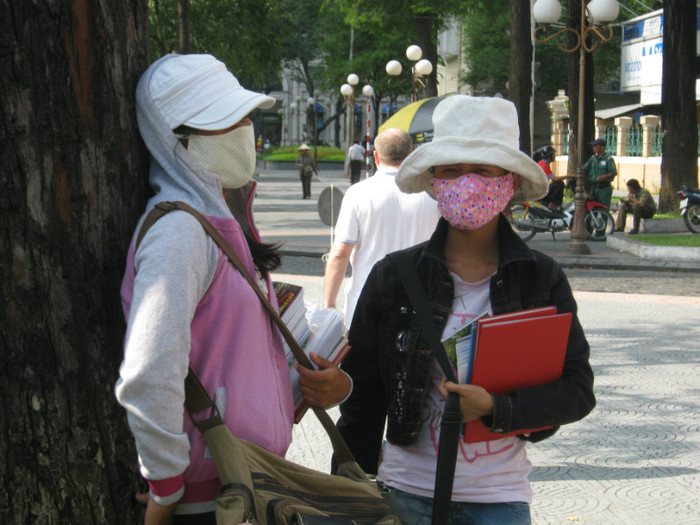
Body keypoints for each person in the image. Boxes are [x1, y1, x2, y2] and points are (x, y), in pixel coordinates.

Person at [336, 95, 595, 525]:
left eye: (483, 169)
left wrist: (497, 406)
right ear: (434, 180)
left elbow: (577, 389)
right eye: (452, 169)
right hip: (403, 496)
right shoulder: (393, 277)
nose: (466, 181)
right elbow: (362, 399)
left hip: (500, 502)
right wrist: (346, 493)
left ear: (508, 180)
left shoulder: (540, 278)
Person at [115, 53, 347, 525]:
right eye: (227, 120)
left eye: (244, 116)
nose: (246, 128)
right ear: (177, 139)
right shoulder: (179, 232)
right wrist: (165, 490)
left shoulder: (224, 222)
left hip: (250, 484)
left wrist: (312, 387)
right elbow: (149, 370)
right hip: (209, 499)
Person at [323, 128, 441, 325]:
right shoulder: (432, 194)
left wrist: (329, 305)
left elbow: (340, 253)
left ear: (376, 156)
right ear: (411, 152)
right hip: (420, 302)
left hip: (367, 301)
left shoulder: (358, 194)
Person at [534, 145, 572, 210]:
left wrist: (566, 186)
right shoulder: (543, 164)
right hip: (540, 191)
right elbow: (555, 179)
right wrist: (569, 175)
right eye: (553, 154)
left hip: (542, 189)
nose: (555, 156)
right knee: (559, 184)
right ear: (549, 155)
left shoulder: (544, 163)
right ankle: (552, 205)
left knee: (559, 185)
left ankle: (554, 205)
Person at [584, 138, 617, 208]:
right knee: (592, 208)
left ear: (602, 147)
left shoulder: (608, 159)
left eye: (596, 146)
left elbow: (613, 172)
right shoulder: (593, 159)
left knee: (603, 208)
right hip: (594, 188)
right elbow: (584, 168)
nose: (594, 148)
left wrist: (603, 176)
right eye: (593, 146)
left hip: (604, 188)